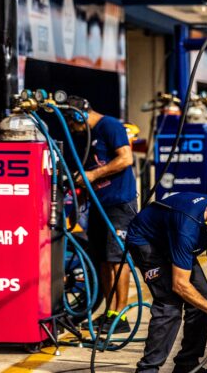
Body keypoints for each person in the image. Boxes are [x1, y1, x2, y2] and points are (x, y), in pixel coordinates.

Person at [125, 190, 207, 373]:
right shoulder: (188, 228)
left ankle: (187, 365)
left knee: (203, 296)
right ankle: (148, 369)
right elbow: (180, 285)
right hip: (147, 241)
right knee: (169, 304)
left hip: (174, 241)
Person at [67, 100, 137, 334]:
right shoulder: (92, 134)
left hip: (119, 203)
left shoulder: (110, 125)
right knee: (104, 260)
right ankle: (109, 312)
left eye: (72, 123)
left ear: (80, 116)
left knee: (117, 259)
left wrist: (92, 174)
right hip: (100, 204)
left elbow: (126, 159)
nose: (73, 128)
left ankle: (120, 315)